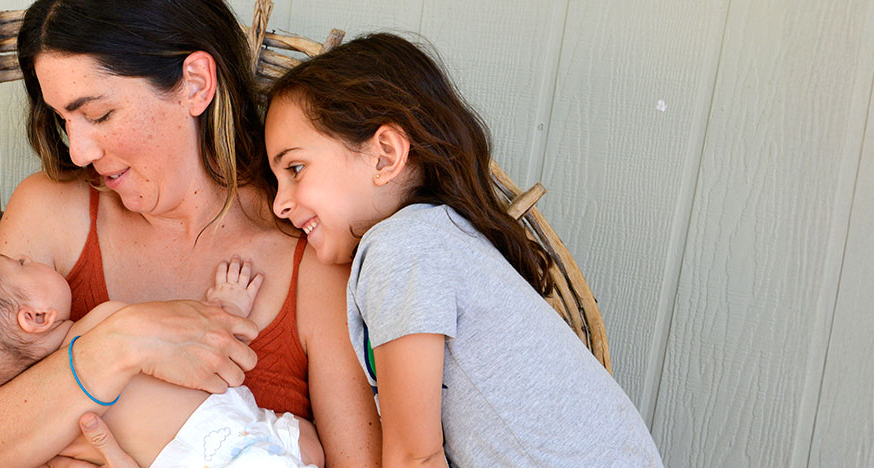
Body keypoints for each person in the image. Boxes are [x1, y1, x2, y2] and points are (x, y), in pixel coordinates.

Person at [0, 0, 379, 466]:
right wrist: (118, 343)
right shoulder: (52, 208)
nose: (79, 152)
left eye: (99, 115)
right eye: (65, 120)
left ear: (195, 84)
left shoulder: (311, 249)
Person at [263, 33, 664, 467]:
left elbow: (414, 457)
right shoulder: (440, 239)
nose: (279, 203)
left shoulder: (401, 249)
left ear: (385, 155)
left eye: (296, 168)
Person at [0, 254, 323, 467]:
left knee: (309, 444)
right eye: (18, 264)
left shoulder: (53, 432)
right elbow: (197, 339)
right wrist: (225, 307)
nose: (28, 257)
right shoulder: (105, 322)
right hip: (238, 434)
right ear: (35, 317)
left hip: (219, 442)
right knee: (308, 447)